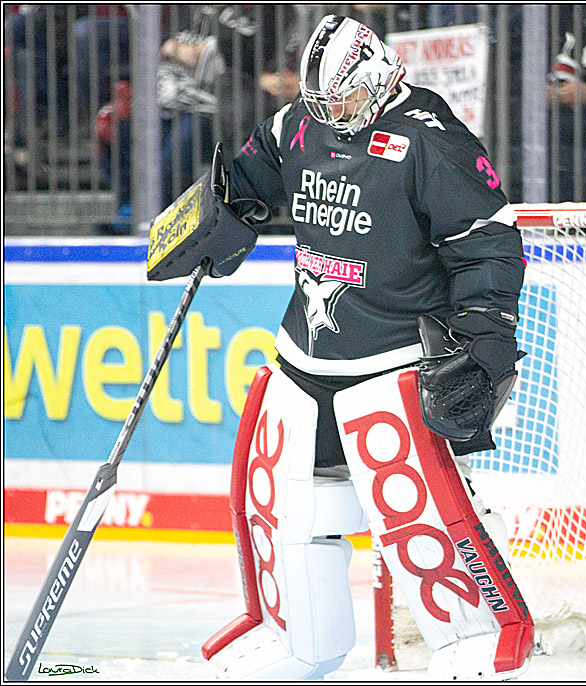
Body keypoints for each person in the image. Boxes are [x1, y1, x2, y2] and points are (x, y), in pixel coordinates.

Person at [180, 15, 532, 680]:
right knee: (292, 510)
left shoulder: (431, 137)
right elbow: (258, 171)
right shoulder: (300, 123)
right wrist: (220, 213)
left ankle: (471, 639)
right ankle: (301, 642)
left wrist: (485, 325)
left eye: (337, 98)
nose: (327, 113)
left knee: (411, 511)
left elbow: (487, 235)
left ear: (374, 76)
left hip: (392, 361)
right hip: (303, 356)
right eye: (317, 102)